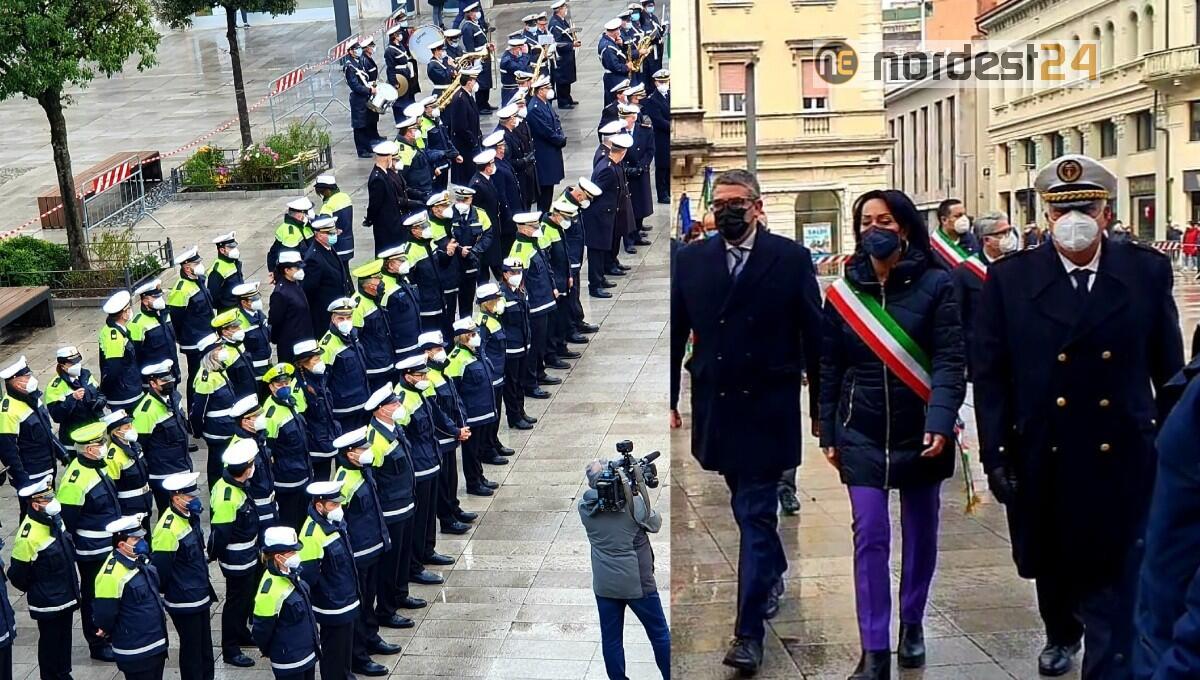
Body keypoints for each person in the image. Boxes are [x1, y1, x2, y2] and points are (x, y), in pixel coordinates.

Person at [973, 154, 1183, 678]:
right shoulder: (1011, 279)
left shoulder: (1145, 271)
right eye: (1063, 210)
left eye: (1086, 207)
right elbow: (993, 375)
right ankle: (1060, 630)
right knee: (1055, 557)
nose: (1075, 220)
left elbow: (1170, 368)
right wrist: (995, 452)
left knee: (1115, 576)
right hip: (1046, 445)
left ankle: (1107, 657)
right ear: (1046, 216)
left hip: (1125, 448)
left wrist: (1174, 447)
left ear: (1107, 212)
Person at [670, 169, 824, 673]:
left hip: (769, 404)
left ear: (757, 207)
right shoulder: (691, 259)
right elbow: (676, 332)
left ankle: (748, 633)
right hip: (718, 404)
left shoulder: (790, 258)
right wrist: (669, 398)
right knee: (745, 507)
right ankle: (773, 568)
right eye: (721, 203)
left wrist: (820, 408)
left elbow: (814, 338)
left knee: (756, 512)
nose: (728, 211)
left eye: (738, 202)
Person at [817, 189, 965, 679]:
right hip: (861, 431)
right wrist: (827, 429)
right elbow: (829, 365)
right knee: (871, 534)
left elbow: (949, 360)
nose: (874, 228)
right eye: (866, 220)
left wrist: (941, 419)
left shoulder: (938, 285)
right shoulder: (843, 294)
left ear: (903, 226)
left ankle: (913, 621)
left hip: (922, 430)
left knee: (921, 534)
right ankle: (874, 649)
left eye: (884, 219)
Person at [579, 459, 669, 680]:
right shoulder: (634, 506)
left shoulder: (584, 508)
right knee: (659, 635)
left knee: (611, 639)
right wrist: (635, 489)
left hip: (605, 585)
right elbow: (655, 522)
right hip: (638, 584)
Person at [330, 425, 403, 676]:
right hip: (358, 553)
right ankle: (359, 655)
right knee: (360, 605)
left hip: (373, 545)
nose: (367, 452)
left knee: (370, 597)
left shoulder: (363, 472)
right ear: (350, 453)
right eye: (362, 449)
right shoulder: (342, 483)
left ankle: (371, 637)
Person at [57, 421, 123, 662]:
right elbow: (69, 522)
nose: (103, 446)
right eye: (99, 444)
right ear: (87, 449)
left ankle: (109, 632)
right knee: (94, 595)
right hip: (91, 549)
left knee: (108, 590)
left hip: (108, 543)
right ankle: (96, 641)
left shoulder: (96, 466)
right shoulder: (75, 481)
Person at [394, 355, 461, 585]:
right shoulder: (402, 400)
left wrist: (455, 431)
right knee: (419, 517)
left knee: (429, 513)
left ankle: (428, 550)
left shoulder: (419, 392)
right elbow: (401, 437)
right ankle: (415, 565)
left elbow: (436, 418)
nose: (424, 378)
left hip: (431, 460)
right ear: (407, 376)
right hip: (418, 466)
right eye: (420, 375)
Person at [360, 390, 423, 627]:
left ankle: (400, 593)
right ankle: (386, 610)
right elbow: (373, 478)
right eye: (393, 403)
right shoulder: (374, 439)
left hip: (405, 501)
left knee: (403, 555)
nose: (398, 404)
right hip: (391, 509)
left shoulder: (393, 428)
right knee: (390, 562)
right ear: (380, 410)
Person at [10, 479, 80, 680]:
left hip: (66, 593)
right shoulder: (28, 535)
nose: (52, 501)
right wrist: (40, 587)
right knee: (50, 643)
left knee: (65, 639)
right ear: (35, 504)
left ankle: (64, 673)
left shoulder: (55, 520)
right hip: (47, 601)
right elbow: (17, 574)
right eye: (47, 498)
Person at [150, 472, 215, 680]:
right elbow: (162, 571)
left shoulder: (189, 518)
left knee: (205, 648)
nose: (194, 499)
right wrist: (179, 589)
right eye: (189, 497)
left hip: (199, 593)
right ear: (176, 498)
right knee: (192, 651)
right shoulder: (167, 530)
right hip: (184, 599)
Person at [297, 480, 361, 680]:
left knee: (344, 653)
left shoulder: (333, 523)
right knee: (334, 655)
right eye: (333, 504)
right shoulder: (311, 534)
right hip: (331, 605)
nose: (338, 508)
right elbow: (309, 577)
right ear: (319, 506)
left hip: (345, 598)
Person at [93, 514, 170, 680]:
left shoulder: (138, 560)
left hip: (155, 643)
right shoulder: (111, 575)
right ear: (122, 544)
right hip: (136, 650)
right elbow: (105, 614)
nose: (142, 542)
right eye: (135, 540)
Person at [208, 438, 262, 668]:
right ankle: (230, 647)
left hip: (247, 553)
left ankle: (240, 632)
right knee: (235, 602)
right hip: (237, 559)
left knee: (244, 599)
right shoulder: (227, 496)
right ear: (245, 469)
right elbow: (221, 535)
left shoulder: (236, 486)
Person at [952, 211, 1018, 381]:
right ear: (987, 239)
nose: (1008, 237)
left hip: (1016, 352)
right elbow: (957, 318)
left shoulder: (1019, 265)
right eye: (1002, 233)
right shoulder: (964, 272)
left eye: (1009, 231)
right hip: (981, 355)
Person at [252, 526, 321, 680]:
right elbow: (262, 629)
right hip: (289, 661)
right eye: (292, 552)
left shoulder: (291, 573)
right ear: (278, 557)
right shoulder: (269, 589)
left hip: (306, 654)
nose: (296, 555)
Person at [419, 332, 471, 533]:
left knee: (451, 478)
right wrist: (455, 430)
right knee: (443, 482)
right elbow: (436, 413)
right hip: (442, 437)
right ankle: (447, 519)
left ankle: (454, 509)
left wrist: (461, 425)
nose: (442, 352)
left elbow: (455, 401)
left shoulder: (441, 370)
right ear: (427, 353)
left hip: (452, 434)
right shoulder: (428, 377)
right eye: (437, 349)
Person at [509, 212, 559, 397]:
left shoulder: (533, 244)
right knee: (533, 344)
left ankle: (539, 372)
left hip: (544, 300)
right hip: (534, 304)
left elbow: (546, 268)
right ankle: (530, 382)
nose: (537, 229)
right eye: (533, 227)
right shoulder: (520, 249)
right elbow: (518, 280)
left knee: (541, 341)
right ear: (523, 229)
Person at [132, 360, 192, 516]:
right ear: (152, 383)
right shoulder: (146, 412)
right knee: (169, 513)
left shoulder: (174, 397)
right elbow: (140, 445)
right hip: (163, 472)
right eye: (164, 380)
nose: (169, 382)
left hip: (181, 465)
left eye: (170, 378)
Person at [0, 356, 66, 492]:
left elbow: (46, 431)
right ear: (16, 383)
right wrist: (23, 481)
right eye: (27, 377)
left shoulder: (33, 398)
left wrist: (62, 453)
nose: (32, 379)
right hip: (31, 476)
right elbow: (8, 451)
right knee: (32, 511)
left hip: (47, 467)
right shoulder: (7, 412)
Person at [262, 363, 313, 530]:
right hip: (286, 479)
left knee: (302, 517)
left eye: (286, 383)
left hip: (302, 471)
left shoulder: (290, 402)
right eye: (279, 384)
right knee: (289, 522)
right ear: (271, 387)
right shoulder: (270, 414)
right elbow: (268, 450)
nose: (284, 387)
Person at [166, 247, 216, 406]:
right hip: (193, 341)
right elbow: (176, 318)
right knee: (196, 375)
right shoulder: (181, 290)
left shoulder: (198, 280)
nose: (200, 265)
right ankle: (194, 407)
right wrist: (184, 338)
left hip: (207, 335)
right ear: (187, 267)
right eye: (196, 263)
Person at [473, 284, 514, 463]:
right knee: (490, 414)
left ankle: (493, 441)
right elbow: (479, 351)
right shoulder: (481, 324)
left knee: (496, 412)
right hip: (491, 376)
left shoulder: (494, 317)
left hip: (499, 373)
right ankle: (487, 449)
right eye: (495, 300)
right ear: (487, 303)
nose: (499, 302)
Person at [587, 134, 631, 298]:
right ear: (623, 152)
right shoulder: (607, 169)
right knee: (596, 252)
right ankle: (595, 285)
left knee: (602, 250)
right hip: (598, 217)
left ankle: (600, 278)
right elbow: (594, 192)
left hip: (605, 216)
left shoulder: (610, 164)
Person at [191, 335, 239, 485]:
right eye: (219, 349)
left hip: (227, 427)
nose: (222, 350)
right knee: (217, 469)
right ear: (210, 354)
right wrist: (198, 432)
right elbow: (198, 411)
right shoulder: (206, 378)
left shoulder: (219, 369)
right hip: (217, 431)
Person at [320, 297, 372, 432]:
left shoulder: (352, 335)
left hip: (361, 400)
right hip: (344, 408)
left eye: (348, 317)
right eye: (340, 318)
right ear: (332, 319)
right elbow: (323, 381)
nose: (345, 322)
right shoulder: (327, 346)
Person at [293, 340, 342, 480]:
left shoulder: (318, 378)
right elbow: (301, 421)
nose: (320, 361)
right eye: (316, 359)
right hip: (314, 445)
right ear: (304, 363)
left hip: (327, 438)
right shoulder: (299, 388)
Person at [499, 258, 536, 433]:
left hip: (523, 343)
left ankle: (521, 411)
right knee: (511, 384)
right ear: (505, 274)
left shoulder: (521, 291)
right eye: (513, 272)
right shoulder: (501, 295)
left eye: (519, 272)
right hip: (510, 347)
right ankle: (514, 416)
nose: (516, 275)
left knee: (520, 381)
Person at [351, 259, 398, 392]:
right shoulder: (358, 307)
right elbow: (355, 340)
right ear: (370, 286)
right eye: (378, 279)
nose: (382, 283)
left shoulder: (374, 298)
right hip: (374, 367)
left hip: (386, 360)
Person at [303, 217, 354, 337]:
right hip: (325, 315)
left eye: (334, 232)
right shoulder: (313, 258)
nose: (334, 235)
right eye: (330, 233)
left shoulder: (328, 248)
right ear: (318, 235)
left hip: (338, 311)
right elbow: (309, 290)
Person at [45, 345, 106, 443]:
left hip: (93, 429)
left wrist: (98, 402)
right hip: (73, 435)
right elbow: (56, 415)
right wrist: (72, 398)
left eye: (78, 361)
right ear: (62, 366)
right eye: (72, 363)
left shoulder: (86, 375)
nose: (77, 365)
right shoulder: (55, 386)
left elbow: (100, 394)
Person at [102, 409, 153, 523]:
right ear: (116, 432)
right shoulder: (113, 456)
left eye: (130, 425)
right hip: (128, 506)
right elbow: (112, 487)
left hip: (144, 500)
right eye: (126, 427)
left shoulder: (135, 445)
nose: (131, 429)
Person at [402, 211, 450, 332]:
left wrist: (448, 254)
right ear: (414, 231)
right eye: (423, 227)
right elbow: (408, 280)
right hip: (425, 306)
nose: (427, 228)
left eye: (427, 225)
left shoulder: (430, 243)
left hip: (439, 299)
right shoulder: (410, 252)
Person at [527, 76, 567, 212]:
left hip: (551, 152)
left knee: (549, 190)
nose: (550, 90)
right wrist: (559, 140)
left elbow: (556, 121)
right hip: (544, 154)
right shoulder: (534, 108)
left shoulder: (544, 103)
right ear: (539, 91)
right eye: (547, 88)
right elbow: (545, 130)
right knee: (544, 193)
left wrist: (560, 135)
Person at [98, 290, 143, 411]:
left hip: (129, 388)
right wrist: (105, 391)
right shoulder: (114, 336)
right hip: (123, 394)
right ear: (123, 314)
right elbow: (113, 368)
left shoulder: (119, 330)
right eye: (128, 309)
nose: (130, 311)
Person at [378, 246, 424, 361]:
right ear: (390, 265)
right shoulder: (384, 288)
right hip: (400, 345)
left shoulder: (402, 279)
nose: (405, 263)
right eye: (401, 261)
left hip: (414, 338)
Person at [129, 279, 180, 381]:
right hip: (153, 378)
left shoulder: (165, 314)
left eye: (160, 296)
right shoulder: (137, 324)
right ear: (145, 301)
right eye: (155, 297)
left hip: (171, 371)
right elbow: (135, 356)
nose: (160, 300)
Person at [269, 251, 314, 364]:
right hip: (290, 344)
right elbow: (276, 320)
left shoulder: (295, 283)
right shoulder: (280, 292)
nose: (300, 271)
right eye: (297, 268)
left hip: (303, 339)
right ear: (287, 270)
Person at [622, 103, 655, 252]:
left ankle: (636, 235)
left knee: (641, 205)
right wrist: (627, 169)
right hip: (627, 174)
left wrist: (641, 167)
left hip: (641, 172)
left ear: (634, 117)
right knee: (628, 208)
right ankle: (628, 240)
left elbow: (650, 151)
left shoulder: (645, 131)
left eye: (627, 117)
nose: (624, 120)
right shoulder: (618, 133)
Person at [345, 37, 381, 158]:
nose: (359, 50)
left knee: (365, 123)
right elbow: (355, 86)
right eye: (356, 49)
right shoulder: (350, 67)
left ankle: (367, 146)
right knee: (359, 125)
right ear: (350, 51)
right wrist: (369, 90)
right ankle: (361, 150)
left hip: (364, 97)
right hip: (358, 99)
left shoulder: (358, 61)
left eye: (359, 48)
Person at [447, 68, 484, 185]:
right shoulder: (460, 99)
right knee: (467, 177)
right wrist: (473, 141)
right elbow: (460, 127)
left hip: (471, 143)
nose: (475, 83)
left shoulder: (467, 96)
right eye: (474, 81)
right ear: (469, 82)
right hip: (465, 146)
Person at [232, 282, 272, 384]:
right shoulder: (237, 323)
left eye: (257, 297)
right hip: (253, 372)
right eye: (254, 299)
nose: (258, 301)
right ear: (244, 303)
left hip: (267, 367)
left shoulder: (258, 313)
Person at [460, 2, 494, 112]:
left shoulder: (476, 24)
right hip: (478, 59)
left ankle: (485, 103)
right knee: (481, 81)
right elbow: (470, 47)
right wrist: (474, 59)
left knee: (487, 81)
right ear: (470, 14)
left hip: (485, 55)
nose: (477, 13)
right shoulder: (467, 27)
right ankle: (480, 105)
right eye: (475, 11)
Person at [928, 198, 980, 271]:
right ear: (944, 220)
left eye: (964, 214)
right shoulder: (932, 247)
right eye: (958, 216)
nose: (964, 219)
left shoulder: (973, 240)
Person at [643, 69, 670, 204]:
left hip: (671, 136)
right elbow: (658, 120)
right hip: (661, 137)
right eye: (661, 82)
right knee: (662, 166)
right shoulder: (652, 100)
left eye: (666, 81)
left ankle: (669, 190)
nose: (664, 84)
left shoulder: (671, 95)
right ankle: (662, 193)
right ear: (655, 83)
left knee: (670, 165)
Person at [268, 198, 314, 273]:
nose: (308, 215)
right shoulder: (290, 232)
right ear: (299, 215)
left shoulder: (304, 226)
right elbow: (290, 260)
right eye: (306, 212)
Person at [316, 174, 355, 262]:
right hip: (349, 242)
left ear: (327, 191)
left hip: (336, 246)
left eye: (321, 192)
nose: (321, 194)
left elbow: (323, 226)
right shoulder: (345, 197)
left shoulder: (328, 204)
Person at [549, 0, 580, 107]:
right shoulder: (555, 24)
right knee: (562, 79)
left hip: (567, 55)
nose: (566, 10)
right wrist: (571, 45)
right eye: (564, 8)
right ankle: (563, 101)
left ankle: (568, 98)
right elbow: (557, 42)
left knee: (568, 77)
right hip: (561, 56)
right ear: (559, 10)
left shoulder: (561, 21)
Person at [384, 24, 417, 118]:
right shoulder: (389, 50)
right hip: (399, 76)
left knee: (408, 99)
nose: (400, 35)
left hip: (406, 74)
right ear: (394, 36)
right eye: (398, 34)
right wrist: (394, 82)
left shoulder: (400, 45)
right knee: (400, 102)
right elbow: (390, 68)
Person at [207, 232, 244, 310]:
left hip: (239, 306)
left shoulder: (234, 262)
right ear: (222, 250)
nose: (235, 250)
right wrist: (227, 304)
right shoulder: (217, 270)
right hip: (227, 311)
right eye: (231, 248)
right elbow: (213, 296)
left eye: (234, 247)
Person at [599, 19, 632, 107]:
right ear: (615, 32)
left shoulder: (611, 42)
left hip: (615, 77)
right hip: (614, 78)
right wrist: (626, 67)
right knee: (615, 103)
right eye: (618, 30)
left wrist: (621, 45)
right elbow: (614, 66)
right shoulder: (608, 47)